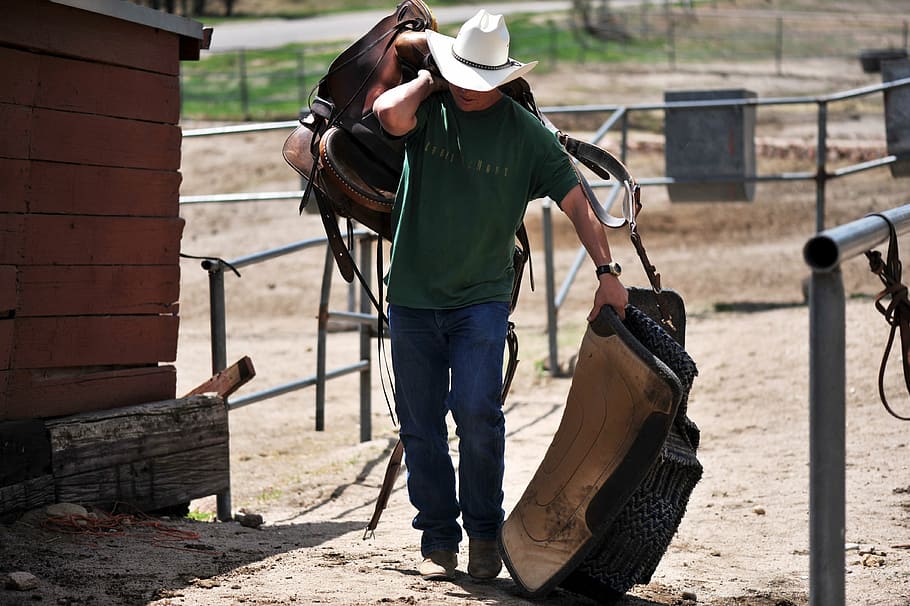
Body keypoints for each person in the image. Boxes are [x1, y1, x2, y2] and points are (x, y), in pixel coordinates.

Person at [372, 8, 628, 582]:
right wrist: (432, 78)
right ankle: (438, 532)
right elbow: (386, 114)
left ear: (503, 79)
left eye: (478, 81)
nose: (469, 90)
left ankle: (484, 533)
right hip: (411, 297)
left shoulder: (525, 135)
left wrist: (607, 271)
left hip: (481, 301)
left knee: (478, 416)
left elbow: (578, 201)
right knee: (419, 425)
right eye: (462, 76)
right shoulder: (429, 106)